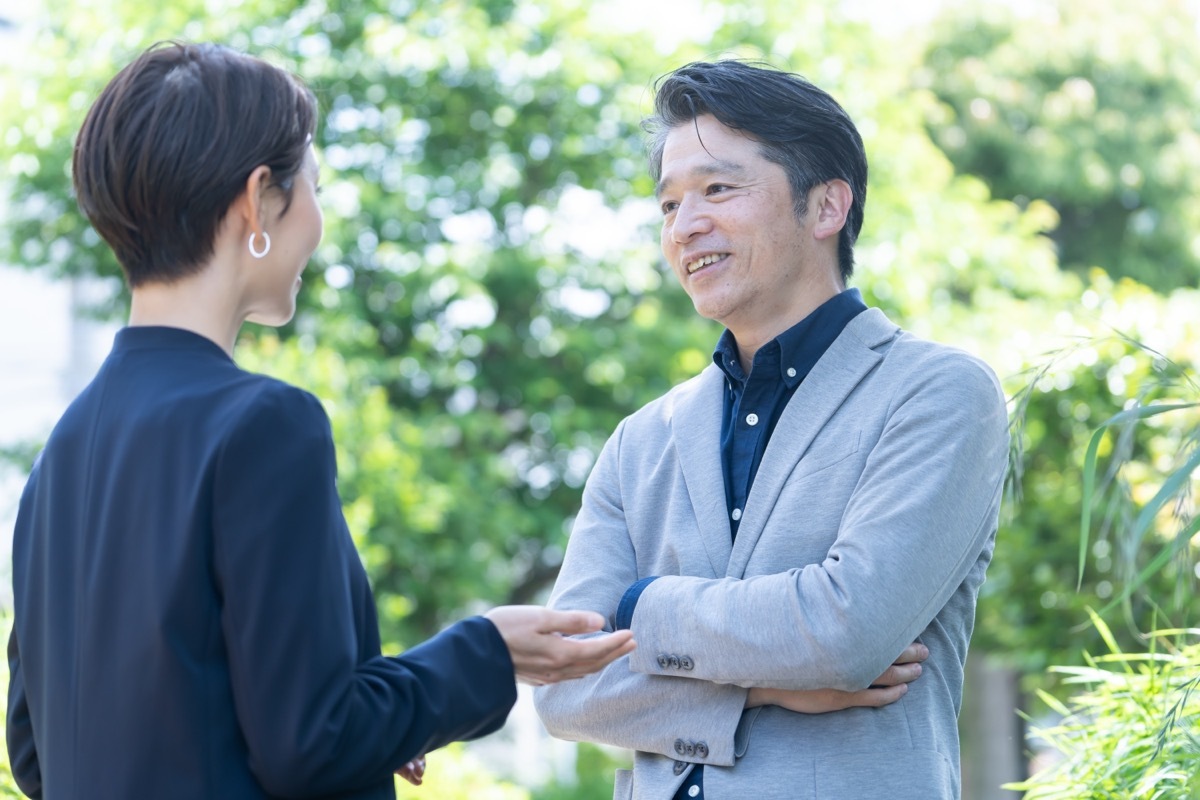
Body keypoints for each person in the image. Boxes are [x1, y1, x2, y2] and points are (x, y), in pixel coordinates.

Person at [5, 41, 635, 800]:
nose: (318, 223)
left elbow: (38, 755)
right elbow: (312, 740)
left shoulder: (62, 454)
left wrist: (392, 705)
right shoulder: (264, 425)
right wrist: (486, 652)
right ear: (256, 200)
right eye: (314, 189)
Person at [533, 60, 1009, 800]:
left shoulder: (939, 393)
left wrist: (639, 608)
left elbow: (846, 629)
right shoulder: (640, 440)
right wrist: (757, 691)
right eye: (668, 205)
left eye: (718, 189)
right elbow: (565, 688)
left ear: (826, 207)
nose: (686, 225)